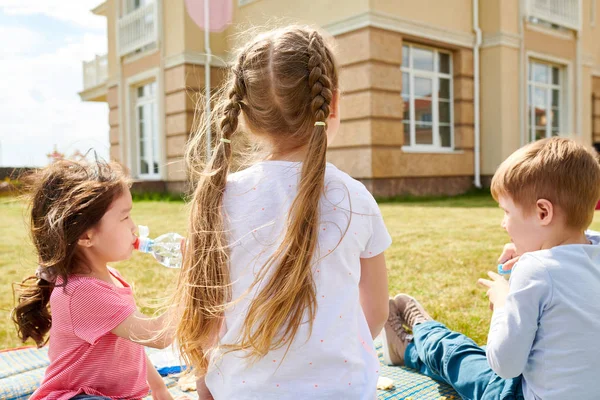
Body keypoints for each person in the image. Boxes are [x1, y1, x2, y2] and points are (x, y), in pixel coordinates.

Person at [172, 26, 392, 399]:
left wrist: (207, 387)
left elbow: (205, 323)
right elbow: (376, 314)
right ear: (332, 102)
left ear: (243, 115)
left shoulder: (218, 198)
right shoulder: (357, 198)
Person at [381, 137, 600, 400]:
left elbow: (505, 366)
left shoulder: (536, 270)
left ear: (543, 213)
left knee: (463, 356)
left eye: (507, 212)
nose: (503, 224)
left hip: (520, 393)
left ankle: (421, 334)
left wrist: (502, 302)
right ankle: (411, 345)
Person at [13, 160, 174, 400]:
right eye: (125, 217)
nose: (134, 227)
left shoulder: (109, 278)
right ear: (86, 235)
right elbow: (156, 335)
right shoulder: (82, 292)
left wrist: (160, 390)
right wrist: (196, 280)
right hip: (77, 396)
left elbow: (132, 345)